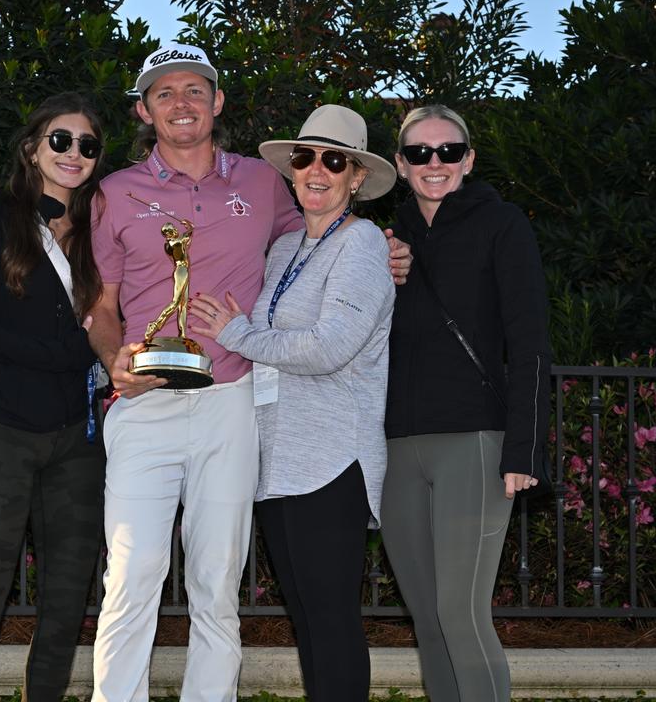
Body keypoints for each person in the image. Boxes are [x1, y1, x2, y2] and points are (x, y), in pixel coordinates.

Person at [86, 44, 411, 701]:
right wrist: (112, 359)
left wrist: (385, 245)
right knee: (131, 574)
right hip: (143, 401)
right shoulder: (112, 193)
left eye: (195, 90)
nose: (182, 103)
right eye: (165, 92)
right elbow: (98, 306)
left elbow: (330, 233)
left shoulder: (263, 185)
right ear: (144, 110)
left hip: (231, 402)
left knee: (216, 581)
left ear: (218, 102)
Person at [188, 104, 396, 701]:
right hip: (277, 462)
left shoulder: (360, 245)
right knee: (308, 623)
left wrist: (237, 335)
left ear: (356, 177)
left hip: (331, 462)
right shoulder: (285, 249)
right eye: (306, 157)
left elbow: (330, 347)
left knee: (331, 621)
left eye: (335, 161)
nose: (317, 170)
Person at [380, 104, 550, 702]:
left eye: (448, 151)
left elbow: (529, 342)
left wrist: (523, 447)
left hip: (475, 443)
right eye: (420, 153)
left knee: (460, 613)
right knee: (426, 618)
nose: (435, 163)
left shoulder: (501, 225)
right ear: (400, 164)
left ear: (468, 159)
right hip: (397, 447)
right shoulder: (383, 242)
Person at [0, 92, 107, 702]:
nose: (74, 154)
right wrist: (64, 354)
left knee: (65, 605)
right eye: (61, 140)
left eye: (88, 145)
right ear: (33, 148)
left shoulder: (100, 230)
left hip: (78, 441)